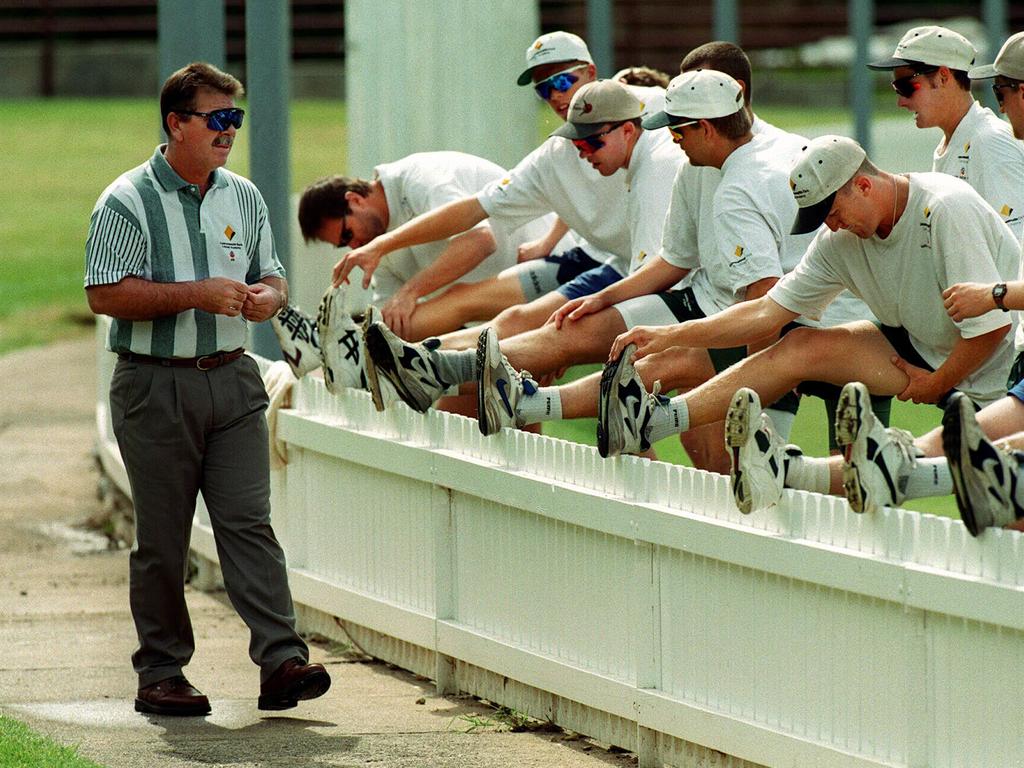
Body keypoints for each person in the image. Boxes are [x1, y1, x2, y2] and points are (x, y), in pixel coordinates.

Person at [84, 62, 330, 716]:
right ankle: (161, 673)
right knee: (163, 537)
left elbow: (273, 276)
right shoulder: (126, 200)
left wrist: (266, 299)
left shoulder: (242, 197)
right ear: (176, 123)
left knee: (248, 523)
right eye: (217, 120)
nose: (229, 133)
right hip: (154, 387)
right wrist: (196, 294)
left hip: (232, 381)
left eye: (235, 121)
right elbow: (104, 293)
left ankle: (282, 661)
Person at [600, 135, 1018, 517]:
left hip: (1002, 366)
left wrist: (937, 382)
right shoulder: (838, 241)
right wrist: (669, 334)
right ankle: (654, 420)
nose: (832, 226)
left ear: (864, 185)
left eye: (833, 212)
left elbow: (992, 328)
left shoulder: (944, 208)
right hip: (923, 347)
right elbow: (766, 312)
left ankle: (795, 470)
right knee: (798, 344)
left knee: (1002, 514)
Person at [329, 31, 665, 356]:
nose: (556, 96)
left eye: (562, 82)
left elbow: (479, 237)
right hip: (611, 262)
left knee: (554, 345)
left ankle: (376, 360)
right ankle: (373, 358)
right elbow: (475, 208)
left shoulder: (652, 111)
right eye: (543, 91)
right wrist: (381, 246)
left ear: (590, 72)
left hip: (672, 273)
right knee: (507, 326)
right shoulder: (555, 154)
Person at [296, 153, 565, 340]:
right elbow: (392, 320)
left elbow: (480, 241)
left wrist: (411, 291)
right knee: (470, 410)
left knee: (454, 301)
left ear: (355, 200)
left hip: (557, 267)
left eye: (347, 234)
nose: (354, 246)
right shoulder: (374, 243)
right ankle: (333, 351)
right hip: (498, 319)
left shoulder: (419, 178)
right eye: (344, 245)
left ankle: (345, 351)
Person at [868, 25, 1024, 240]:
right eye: (897, 89)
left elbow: (1018, 243)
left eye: (906, 87)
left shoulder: (989, 141)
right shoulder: (956, 142)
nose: (900, 101)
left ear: (943, 77)